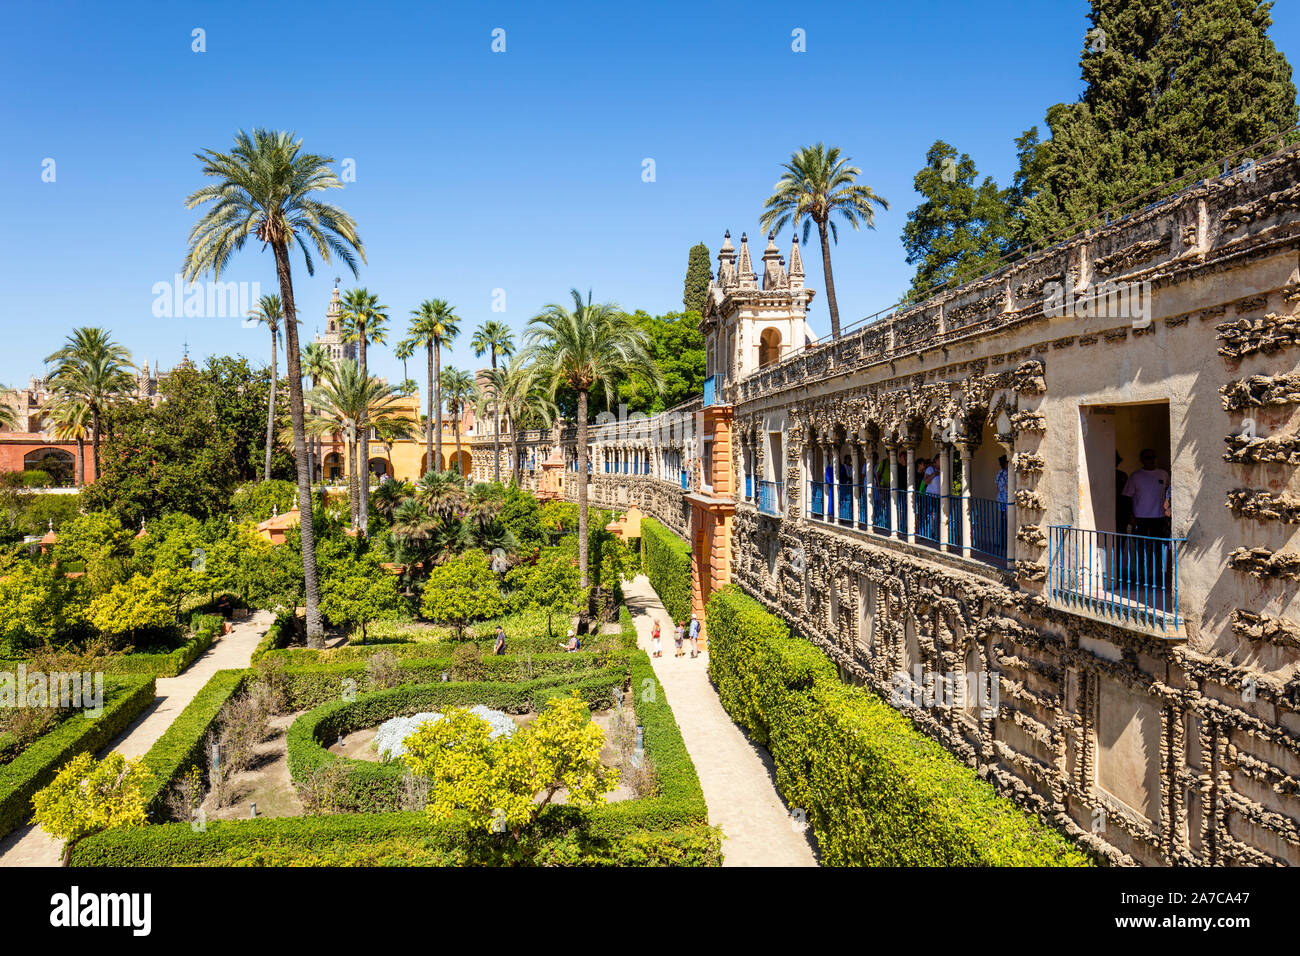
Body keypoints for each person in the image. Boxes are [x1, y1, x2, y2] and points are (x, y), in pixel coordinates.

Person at [1123, 449, 1171, 540]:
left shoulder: (1163, 474)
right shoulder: (1135, 476)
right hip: (1139, 517)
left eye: (1154, 457)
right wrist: (1130, 516)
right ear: (1142, 460)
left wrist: (1168, 509)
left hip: (1159, 517)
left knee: (1157, 546)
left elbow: (1169, 492)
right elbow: (1127, 497)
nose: (1151, 459)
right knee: (1140, 546)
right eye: (1148, 457)